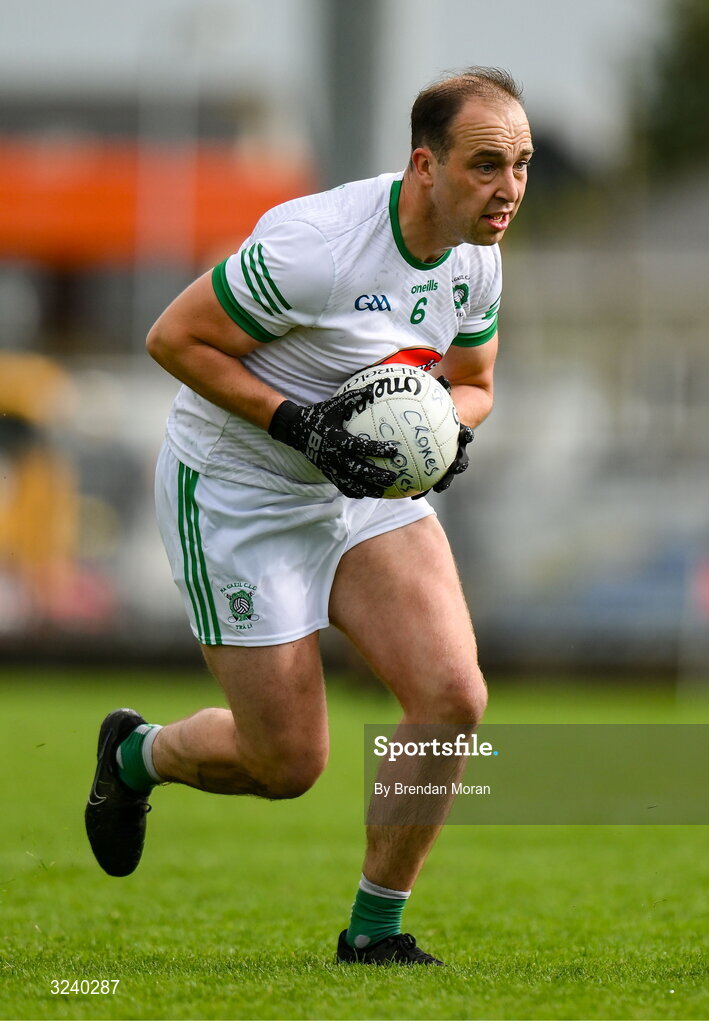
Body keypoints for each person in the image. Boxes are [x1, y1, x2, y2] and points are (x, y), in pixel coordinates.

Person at [85, 66, 532, 965]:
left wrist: (443, 432)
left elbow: (476, 387)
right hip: (238, 488)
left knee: (453, 698)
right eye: (487, 165)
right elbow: (174, 338)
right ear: (424, 165)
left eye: (522, 165)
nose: (509, 190)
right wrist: (301, 424)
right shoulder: (318, 246)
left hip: (359, 493)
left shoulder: (478, 257)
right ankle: (137, 758)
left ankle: (375, 935)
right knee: (286, 765)